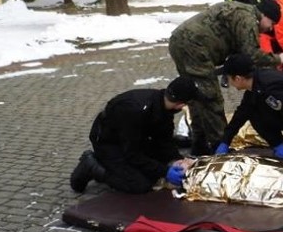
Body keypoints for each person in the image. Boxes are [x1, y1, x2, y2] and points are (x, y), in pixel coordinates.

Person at [168, 0, 283, 155]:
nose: (270, 28)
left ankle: (200, 144)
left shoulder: (243, 11)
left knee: (196, 96)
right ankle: (219, 146)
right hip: (194, 48)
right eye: (271, 23)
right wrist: (279, 59)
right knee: (211, 97)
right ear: (264, 15)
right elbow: (251, 54)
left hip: (182, 42)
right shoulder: (248, 19)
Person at [69, 76, 201, 194]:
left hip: (134, 140)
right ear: (181, 104)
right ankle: (93, 166)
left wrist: (175, 160)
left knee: (154, 168)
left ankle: (115, 168)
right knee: (140, 184)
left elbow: (164, 141)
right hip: (108, 142)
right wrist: (165, 172)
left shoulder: (163, 107)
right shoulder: (135, 110)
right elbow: (132, 154)